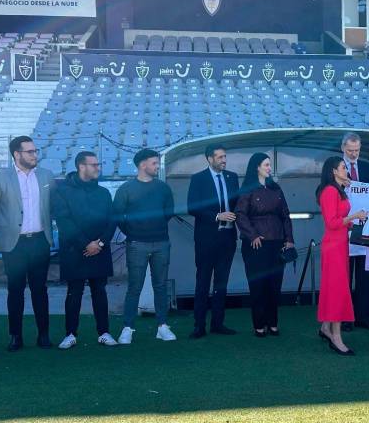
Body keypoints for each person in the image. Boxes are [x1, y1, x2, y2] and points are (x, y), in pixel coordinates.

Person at [0, 136, 54, 352]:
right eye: (30, 152)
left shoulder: (46, 176)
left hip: (39, 241)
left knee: (40, 290)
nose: (35, 155)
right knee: (15, 290)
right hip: (14, 244)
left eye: (35, 151)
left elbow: (53, 206)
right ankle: (15, 336)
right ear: (17, 154)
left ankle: (43, 334)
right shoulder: (0, 177)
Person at [53, 152, 119, 349]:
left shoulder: (103, 193)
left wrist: (99, 244)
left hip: (99, 250)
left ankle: (104, 332)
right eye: (94, 165)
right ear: (81, 167)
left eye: (98, 164)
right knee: (74, 292)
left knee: (100, 290)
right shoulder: (63, 191)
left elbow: (112, 220)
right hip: (74, 251)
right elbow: (65, 222)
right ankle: (70, 334)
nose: (98, 168)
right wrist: (85, 244)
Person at [114, 149, 177, 344]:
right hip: (136, 243)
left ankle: (162, 326)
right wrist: (133, 232)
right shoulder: (126, 189)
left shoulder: (163, 188)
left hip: (161, 242)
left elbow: (169, 212)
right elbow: (117, 216)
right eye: (154, 163)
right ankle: (128, 328)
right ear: (142, 165)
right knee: (134, 287)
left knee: (160, 285)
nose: (157, 167)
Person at [235, 152, 295, 337]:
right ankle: (259, 325)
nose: (270, 168)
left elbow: (286, 215)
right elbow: (240, 214)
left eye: (269, 165)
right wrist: (252, 235)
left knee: (274, 285)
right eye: (266, 165)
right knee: (258, 285)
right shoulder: (247, 190)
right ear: (257, 168)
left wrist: (289, 240)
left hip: (277, 243)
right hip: (256, 246)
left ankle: (273, 323)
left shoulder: (276, 189)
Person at [186, 144, 239, 338]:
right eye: (220, 157)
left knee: (221, 283)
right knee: (203, 281)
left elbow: (237, 205)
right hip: (207, 239)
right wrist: (217, 216)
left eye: (225, 156)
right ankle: (199, 325)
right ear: (209, 159)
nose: (224, 160)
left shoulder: (232, 177)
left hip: (228, 238)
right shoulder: (198, 179)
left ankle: (218, 323)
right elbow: (192, 207)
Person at [317, 157, 367, 356]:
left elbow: (339, 220)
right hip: (333, 246)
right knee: (337, 290)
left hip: (340, 245)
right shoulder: (329, 191)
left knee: (336, 288)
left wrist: (351, 223)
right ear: (333, 171)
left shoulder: (338, 190)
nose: (346, 170)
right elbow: (331, 222)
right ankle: (335, 337)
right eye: (343, 167)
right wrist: (353, 217)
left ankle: (326, 328)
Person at [341, 132, 369, 331]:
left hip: (365, 228)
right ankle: (345, 318)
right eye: (350, 151)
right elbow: (322, 193)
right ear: (343, 149)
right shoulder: (335, 168)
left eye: (357, 150)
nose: (354, 154)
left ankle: (364, 316)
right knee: (345, 277)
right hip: (344, 228)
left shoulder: (368, 168)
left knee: (365, 275)